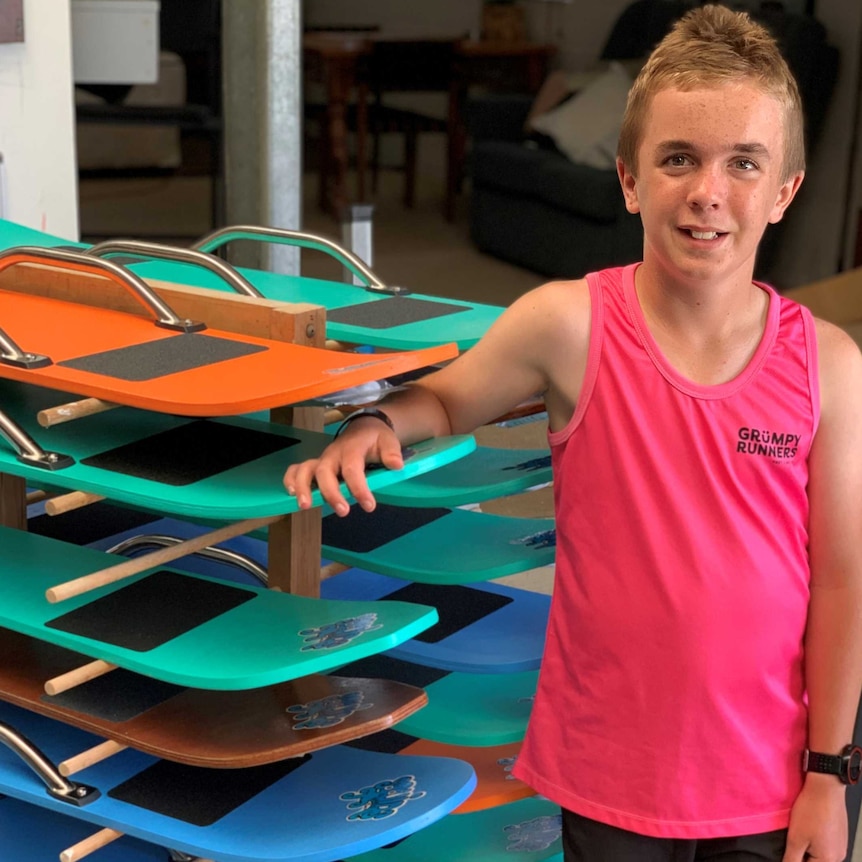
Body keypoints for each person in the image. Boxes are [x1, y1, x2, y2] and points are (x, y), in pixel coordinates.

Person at [285, 5, 862, 861]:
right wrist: (375, 421)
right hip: (609, 773)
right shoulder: (569, 325)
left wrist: (831, 773)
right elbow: (444, 402)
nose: (709, 190)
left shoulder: (831, 368)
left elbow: (843, 588)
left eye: (744, 163)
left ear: (783, 191)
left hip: (769, 783)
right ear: (629, 179)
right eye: (678, 159)